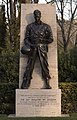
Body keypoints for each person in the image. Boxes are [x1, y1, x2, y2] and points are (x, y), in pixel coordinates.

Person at [21, 9, 53, 89]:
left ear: (40, 16)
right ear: (34, 16)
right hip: (33, 48)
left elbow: (51, 39)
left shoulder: (46, 27)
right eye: (35, 16)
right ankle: (26, 82)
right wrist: (31, 44)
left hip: (42, 48)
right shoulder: (30, 26)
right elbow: (26, 39)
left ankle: (47, 82)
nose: (37, 17)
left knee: (44, 66)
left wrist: (42, 41)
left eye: (38, 16)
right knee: (29, 66)